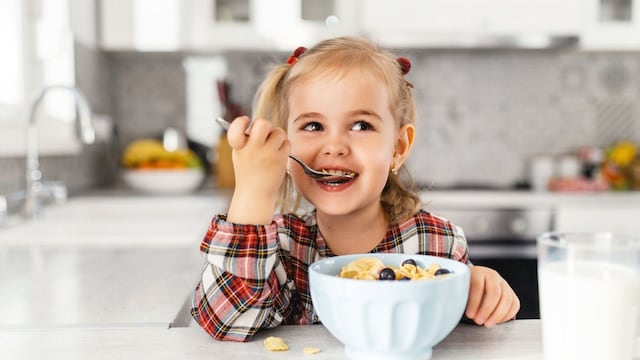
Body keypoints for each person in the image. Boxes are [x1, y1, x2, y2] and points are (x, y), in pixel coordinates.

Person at [191, 36, 520, 342]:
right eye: (313, 126)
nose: (334, 146)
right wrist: (252, 193)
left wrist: (481, 293)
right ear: (285, 149)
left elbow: (464, 331)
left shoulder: (436, 244)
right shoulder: (279, 248)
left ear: (398, 147)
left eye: (361, 125)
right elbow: (227, 321)